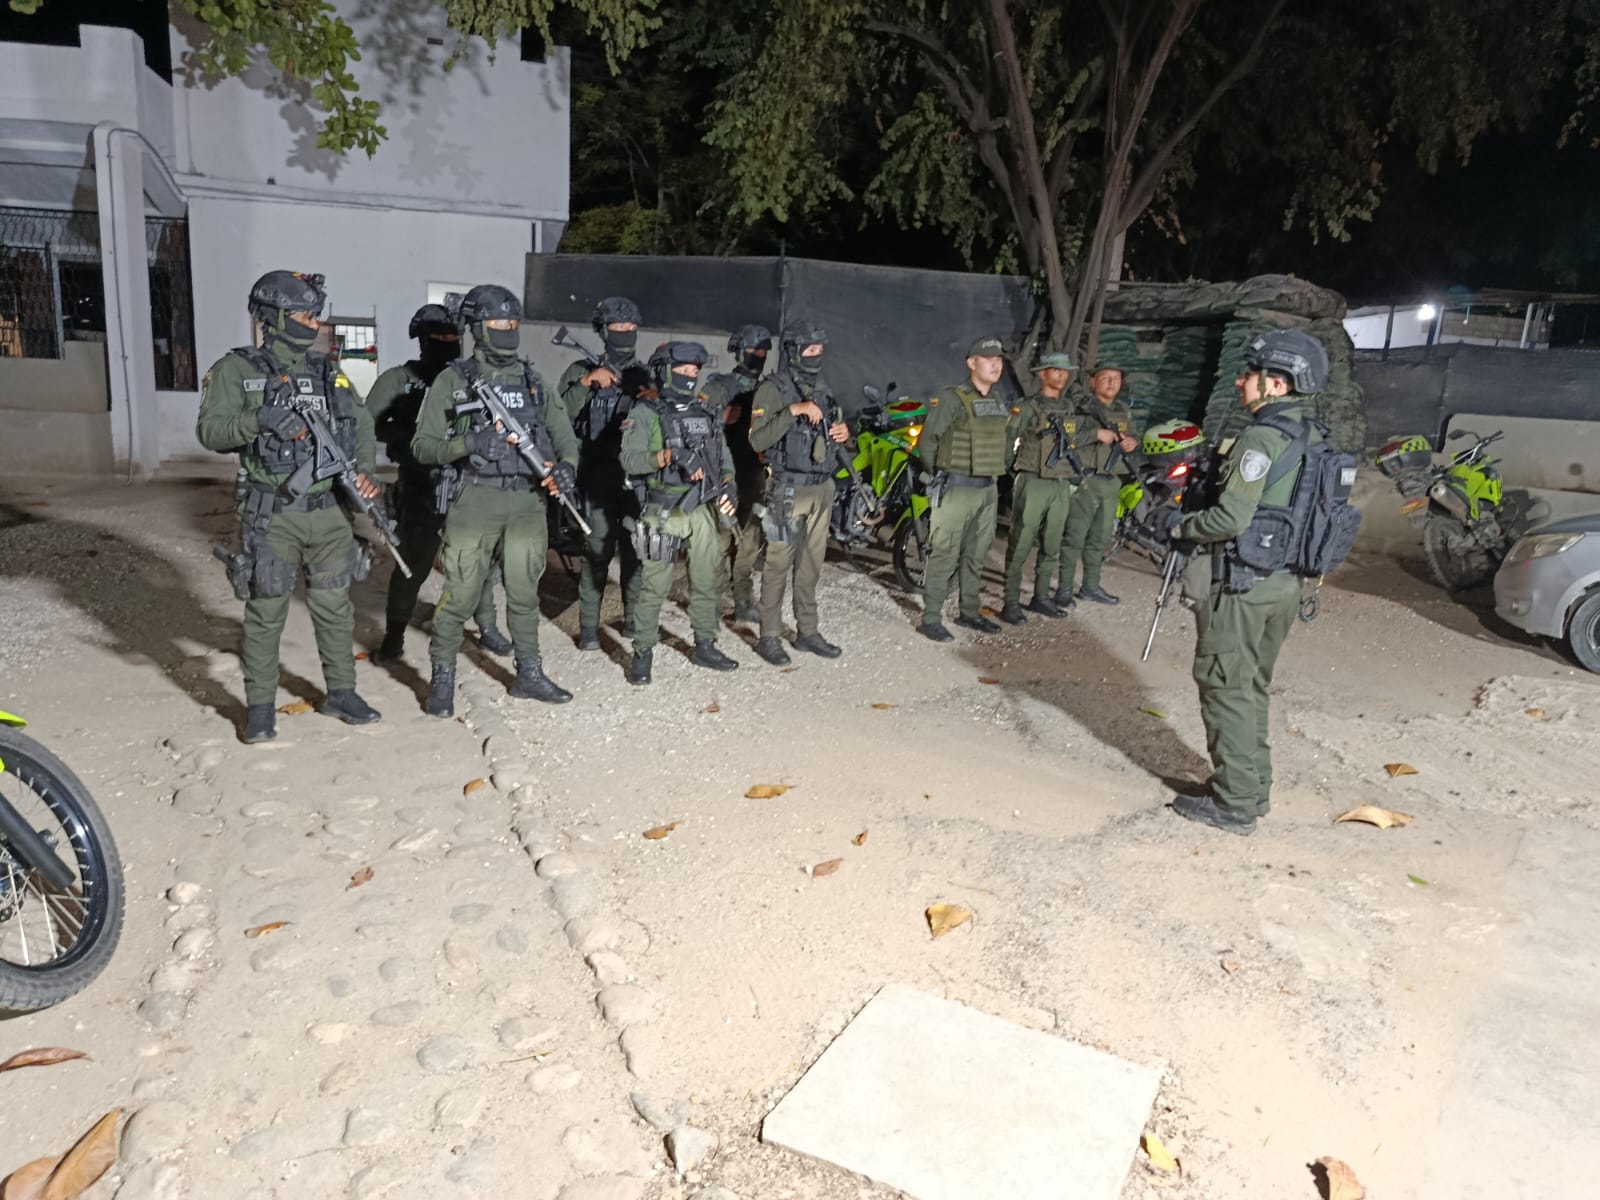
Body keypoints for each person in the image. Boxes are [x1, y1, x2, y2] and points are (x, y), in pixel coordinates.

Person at [195, 270, 382, 744]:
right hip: (273, 511)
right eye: (303, 314)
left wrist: (364, 471)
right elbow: (211, 431)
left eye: (315, 315)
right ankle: (260, 708)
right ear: (273, 316)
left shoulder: (327, 370)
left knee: (335, 607)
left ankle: (342, 691)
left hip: (331, 512)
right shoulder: (238, 369)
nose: (312, 323)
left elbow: (358, 422)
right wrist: (259, 419)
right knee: (267, 611)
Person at [1166, 330, 1331, 835]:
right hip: (1285, 584)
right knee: (1250, 685)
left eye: (1250, 374)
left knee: (1225, 686)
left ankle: (1235, 803)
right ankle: (1250, 788)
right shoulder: (1314, 436)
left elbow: (1228, 521)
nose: (1241, 382)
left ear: (1276, 385)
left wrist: (1177, 526)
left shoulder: (1260, 439)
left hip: (1243, 584)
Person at [410, 284, 580, 717]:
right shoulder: (453, 380)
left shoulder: (533, 382)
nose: (507, 331)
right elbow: (423, 445)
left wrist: (566, 469)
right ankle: (442, 677)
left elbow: (564, 438)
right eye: (497, 324)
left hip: (527, 501)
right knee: (461, 595)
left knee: (524, 594)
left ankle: (529, 674)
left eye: (512, 323)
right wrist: (469, 442)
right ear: (477, 328)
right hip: (475, 501)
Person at [366, 304, 509, 664]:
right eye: (439, 338)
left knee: (479, 563)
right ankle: (394, 636)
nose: (448, 343)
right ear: (422, 341)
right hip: (422, 485)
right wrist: (415, 433)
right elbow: (367, 424)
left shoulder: (470, 377)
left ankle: (487, 626)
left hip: (470, 483)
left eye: (453, 337)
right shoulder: (400, 380)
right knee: (413, 564)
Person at [618, 341, 740, 684]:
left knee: (706, 581)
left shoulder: (705, 414)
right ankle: (643, 653)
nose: (690, 377)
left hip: (701, 507)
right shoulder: (644, 413)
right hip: (663, 509)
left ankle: (705, 643)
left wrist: (728, 485)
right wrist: (667, 458)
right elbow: (628, 460)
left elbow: (724, 459)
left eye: (694, 372)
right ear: (664, 372)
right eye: (683, 371)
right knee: (654, 585)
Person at [746, 320, 848, 665]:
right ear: (793, 351)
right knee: (778, 564)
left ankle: (807, 632)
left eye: (820, 350)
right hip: (787, 488)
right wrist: (793, 411)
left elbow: (833, 423)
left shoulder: (823, 385)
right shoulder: (773, 389)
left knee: (811, 565)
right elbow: (757, 440)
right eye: (810, 350)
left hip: (821, 487)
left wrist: (843, 431)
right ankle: (770, 635)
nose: (816, 356)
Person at [559, 296, 649, 651]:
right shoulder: (580, 370)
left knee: (635, 551)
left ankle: (632, 619)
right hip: (597, 474)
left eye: (630, 328)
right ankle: (589, 628)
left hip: (636, 477)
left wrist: (651, 397)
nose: (625, 333)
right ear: (603, 331)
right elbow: (557, 415)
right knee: (596, 552)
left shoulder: (644, 374)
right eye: (617, 328)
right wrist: (586, 384)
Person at [914, 336, 1013, 642]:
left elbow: (1006, 444)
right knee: (944, 554)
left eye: (999, 359)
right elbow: (928, 442)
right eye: (988, 358)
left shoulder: (998, 400)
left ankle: (969, 612)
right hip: (956, 487)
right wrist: (939, 475)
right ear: (972, 363)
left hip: (987, 489)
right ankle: (930, 617)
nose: (996, 364)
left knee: (976, 555)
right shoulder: (952, 398)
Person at [999, 351, 1094, 624]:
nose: (1062, 375)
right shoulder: (1027, 407)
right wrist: (1010, 469)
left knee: (1052, 543)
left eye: (1065, 371)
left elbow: (1073, 439)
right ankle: (1011, 602)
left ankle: (1040, 597)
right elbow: (1009, 437)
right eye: (1056, 370)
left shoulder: (1068, 408)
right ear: (1043, 374)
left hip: (1060, 483)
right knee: (1020, 542)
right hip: (1033, 481)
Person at [699, 323, 771, 624]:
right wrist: (722, 417)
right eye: (754, 351)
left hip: (754, 475)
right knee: (719, 542)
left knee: (750, 543)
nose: (758, 356)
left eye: (763, 351)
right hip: (723, 476)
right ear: (740, 351)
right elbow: (693, 422)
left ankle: (742, 600)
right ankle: (712, 605)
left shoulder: (767, 389)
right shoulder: (719, 386)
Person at [1056, 364, 1138, 608]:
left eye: (1117, 378)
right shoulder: (1080, 408)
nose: (1112, 383)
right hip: (1085, 480)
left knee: (1101, 538)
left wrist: (1133, 442)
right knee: (1074, 538)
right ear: (1092, 382)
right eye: (1105, 378)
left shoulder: (1122, 410)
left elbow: (1134, 436)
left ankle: (1090, 586)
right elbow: (1063, 438)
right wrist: (1095, 434)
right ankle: (1064, 589)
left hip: (1111, 481)